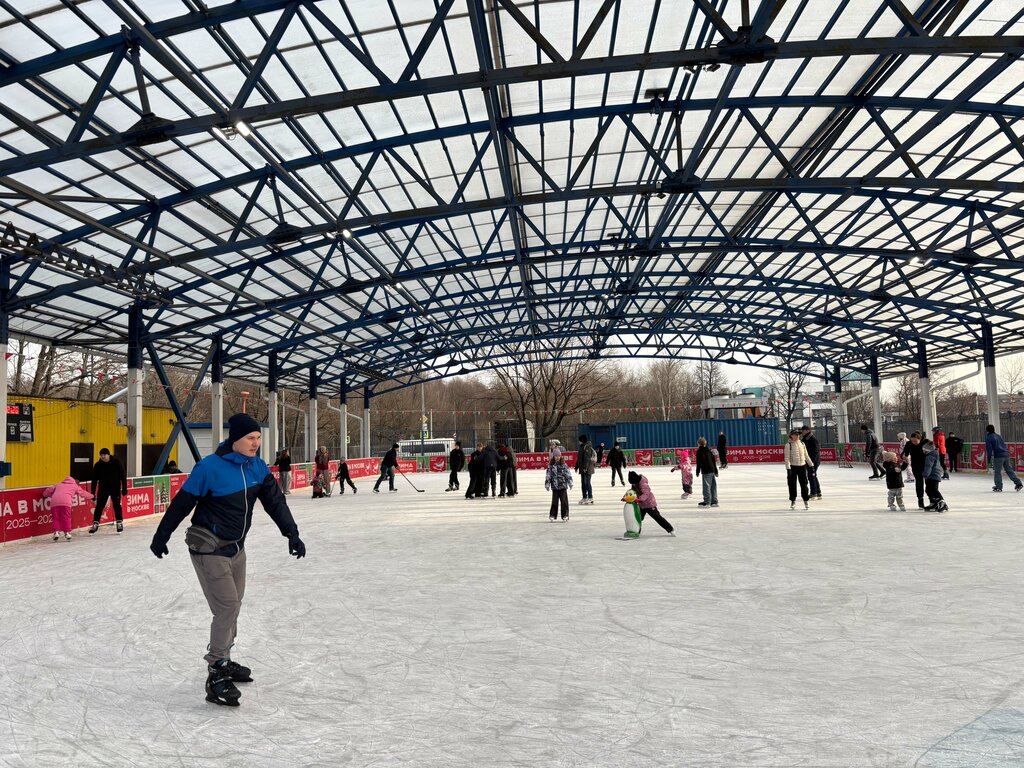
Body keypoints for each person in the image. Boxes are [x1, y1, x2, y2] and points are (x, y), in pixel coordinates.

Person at [148, 413, 306, 708]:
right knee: (227, 607)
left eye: (258, 438)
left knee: (232, 607)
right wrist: (162, 536)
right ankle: (216, 670)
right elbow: (181, 504)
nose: (256, 444)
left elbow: (275, 503)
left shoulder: (257, 467)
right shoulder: (209, 468)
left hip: (236, 548)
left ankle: (225, 658)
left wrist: (291, 534)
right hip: (209, 547)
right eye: (250, 438)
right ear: (235, 439)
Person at [89, 447, 127, 535]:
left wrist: (124, 488)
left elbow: (123, 476)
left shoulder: (116, 463)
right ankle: (95, 524)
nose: (103, 457)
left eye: (104, 455)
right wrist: (92, 493)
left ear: (109, 455)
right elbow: (94, 480)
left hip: (115, 488)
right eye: (101, 455)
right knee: (99, 506)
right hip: (103, 489)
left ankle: (119, 522)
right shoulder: (98, 465)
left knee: (117, 505)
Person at [43, 476, 94, 541]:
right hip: (66, 502)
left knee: (56, 517)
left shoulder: (59, 485)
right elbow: (83, 493)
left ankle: (56, 532)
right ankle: (67, 533)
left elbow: (48, 490)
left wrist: (44, 495)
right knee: (66, 517)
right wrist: (92, 496)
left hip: (54, 502)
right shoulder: (74, 486)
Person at [626, 470, 675, 536]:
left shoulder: (643, 484)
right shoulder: (635, 483)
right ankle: (636, 531)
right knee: (637, 518)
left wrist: (639, 499)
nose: (633, 484)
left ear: (636, 480)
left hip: (649, 504)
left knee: (657, 517)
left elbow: (646, 493)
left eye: (633, 483)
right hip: (641, 505)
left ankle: (670, 529)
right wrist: (627, 497)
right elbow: (633, 492)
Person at [985, 424, 1023, 492]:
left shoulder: (989, 437)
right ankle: (1018, 483)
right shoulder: (999, 436)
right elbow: (1004, 445)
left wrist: (989, 460)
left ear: (987, 430)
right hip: (1006, 455)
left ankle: (998, 486)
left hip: (998, 456)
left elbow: (989, 449)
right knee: (1009, 470)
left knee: (997, 472)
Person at [783, 428, 813, 509]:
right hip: (793, 467)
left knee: (804, 484)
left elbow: (806, 456)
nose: (798, 436)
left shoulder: (802, 444)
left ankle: (806, 500)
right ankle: (793, 501)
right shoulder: (788, 445)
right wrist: (788, 469)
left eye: (798, 434)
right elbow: (787, 458)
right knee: (792, 485)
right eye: (795, 434)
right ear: (791, 436)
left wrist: (811, 465)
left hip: (802, 466)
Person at [921, 438, 948, 512]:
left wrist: (925, 474)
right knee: (928, 490)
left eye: (924, 450)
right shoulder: (933, 455)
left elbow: (928, 466)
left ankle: (942, 503)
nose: (923, 452)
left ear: (928, 450)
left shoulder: (929, 457)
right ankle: (934, 503)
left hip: (933, 476)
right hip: (933, 475)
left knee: (934, 490)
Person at [901, 431, 927, 508]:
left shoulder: (926, 442)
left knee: (929, 483)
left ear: (920, 439)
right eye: (912, 441)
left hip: (927, 466)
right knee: (919, 482)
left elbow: (934, 453)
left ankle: (933, 500)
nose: (914, 442)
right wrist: (903, 464)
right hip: (916, 466)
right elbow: (905, 454)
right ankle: (920, 500)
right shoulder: (909, 444)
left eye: (915, 441)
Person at [544, 454, 573, 522]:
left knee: (564, 502)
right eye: (556, 456)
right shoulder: (551, 466)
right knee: (554, 502)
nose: (557, 457)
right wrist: (547, 484)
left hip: (563, 486)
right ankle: (553, 515)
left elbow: (568, 474)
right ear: (553, 457)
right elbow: (548, 476)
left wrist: (570, 482)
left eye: (558, 456)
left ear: (560, 456)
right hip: (555, 486)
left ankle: (565, 515)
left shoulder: (564, 465)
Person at [694, 437, 719, 507]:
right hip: (712, 469)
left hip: (706, 470)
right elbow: (713, 461)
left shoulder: (699, 451)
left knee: (706, 486)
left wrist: (697, 471)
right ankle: (714, 501)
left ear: (698, 443)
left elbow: (698, 462)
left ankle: (707, 501)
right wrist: (716, 470)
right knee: (713, 486)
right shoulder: (708, 450)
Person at [799, 425, 822, 500]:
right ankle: (818, 492)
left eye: (803, 430)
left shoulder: (812, 439)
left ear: (808, 430)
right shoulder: (805, 439)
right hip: (810, 461)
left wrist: (811, 462)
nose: (802, 432)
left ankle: (814, 493)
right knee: (813, 475)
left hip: (813, 461)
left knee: (811, 476)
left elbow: (815, 452)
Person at [575, 435, 597, 504]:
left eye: (579, 440)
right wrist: (577, 466)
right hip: (583, 468)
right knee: (583, 483)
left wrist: (585, 467)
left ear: (582, 440)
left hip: (588, 468)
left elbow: (587, 459)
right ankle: (584, 497)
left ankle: (590, 497)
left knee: (587, 483)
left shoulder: (587, 447)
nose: (578, 441)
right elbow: (580, 458)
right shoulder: (582, 447)